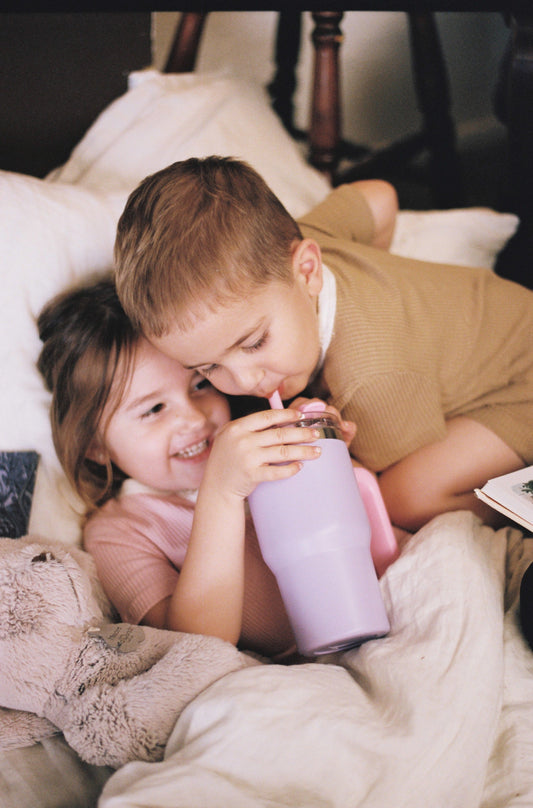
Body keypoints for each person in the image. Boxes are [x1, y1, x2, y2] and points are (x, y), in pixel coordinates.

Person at [113, 156, 533, 536]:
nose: (243, 381)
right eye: (207, 369)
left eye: (255, 342)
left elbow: (359, 482)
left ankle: (517, 499)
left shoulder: (368, 381)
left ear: (308, 269)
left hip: (521, 386)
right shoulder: (297, 244)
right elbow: (379, 198)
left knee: (404, 496)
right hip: (507, 316)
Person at [37, 275, 355, 660]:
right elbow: (195, 644)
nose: (193, 418)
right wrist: (220, 493)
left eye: (200, 384)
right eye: (154, 409)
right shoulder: (119, 531)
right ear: (95, 446)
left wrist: (327, 458)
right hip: (306, 661)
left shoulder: (261, 438)